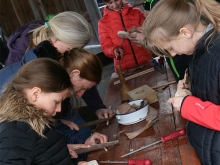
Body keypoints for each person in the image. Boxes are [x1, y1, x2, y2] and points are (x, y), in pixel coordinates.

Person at [142, 0, 220, 164]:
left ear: (185, 32)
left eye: (170, 48)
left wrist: (189, 105)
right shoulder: (203, 50)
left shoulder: (215, 55)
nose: (173, 54)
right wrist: (192, 90)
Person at [0, 58, 73, 164]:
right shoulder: (15, 133)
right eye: (56, 102)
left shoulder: (32, 124)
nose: (59, 109)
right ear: (35, 94)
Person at [4, 11, 93, 66]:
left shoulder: (52, 30)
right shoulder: (17, 61)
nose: (73, 54)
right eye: (69, 49)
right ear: (55, 39)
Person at [98, 0, 153, 72]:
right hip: (123, 68)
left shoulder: (137, 12)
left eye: (116, 0)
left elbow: (150, 33)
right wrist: (114, 50)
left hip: (146, 60)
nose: (114, 5)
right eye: (110, 3)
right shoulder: (103, 23)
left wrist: (140, 31)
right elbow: (105, 47)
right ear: (105, 3)